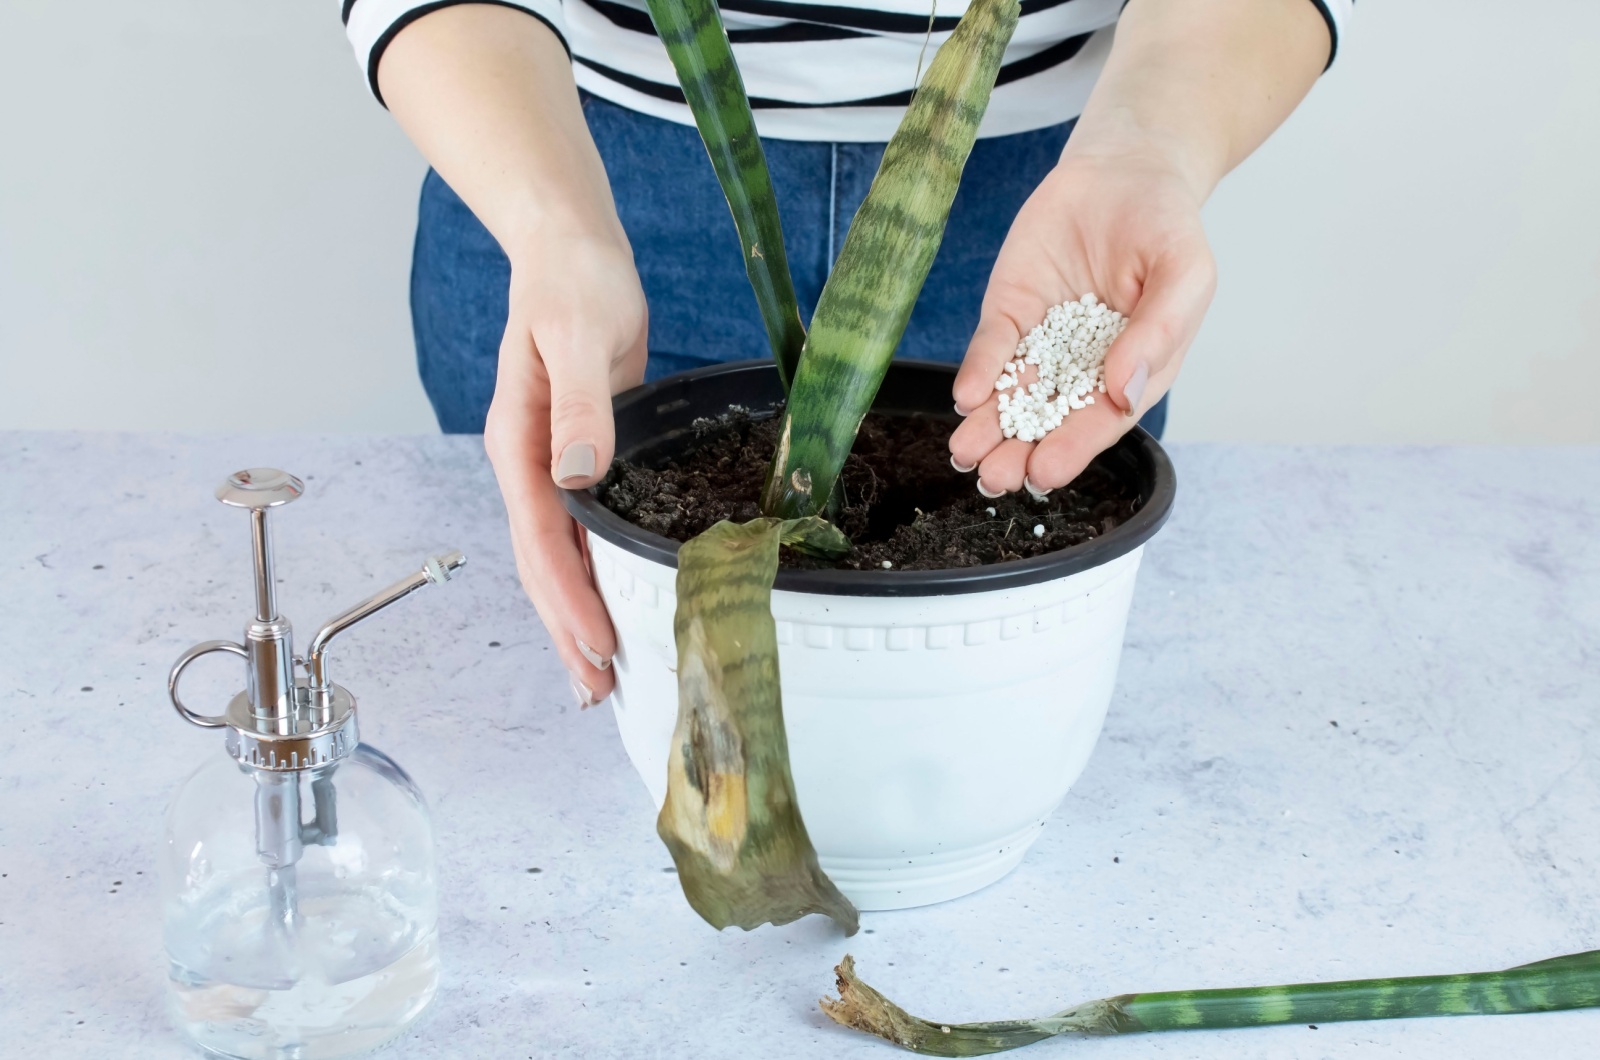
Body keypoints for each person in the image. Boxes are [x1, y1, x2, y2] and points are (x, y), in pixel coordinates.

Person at [343, 0, 1346, 706]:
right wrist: (552, 224)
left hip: (1054, 194)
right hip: (572, 158)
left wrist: (1148, 147)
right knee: (593, 714)